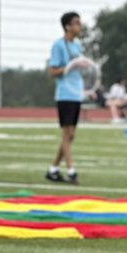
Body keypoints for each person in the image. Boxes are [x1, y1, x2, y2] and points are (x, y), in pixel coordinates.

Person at [46, 10, 84, 184]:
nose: (79, 26)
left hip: (77, 93)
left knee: (71, 135)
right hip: (65, 93)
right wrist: (67, 68)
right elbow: (53, 71)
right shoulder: (58, 46)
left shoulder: (77, 46)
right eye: (76, 23)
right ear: (67, 26)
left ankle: (53, 169)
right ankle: (71, 170)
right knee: (66, 133)